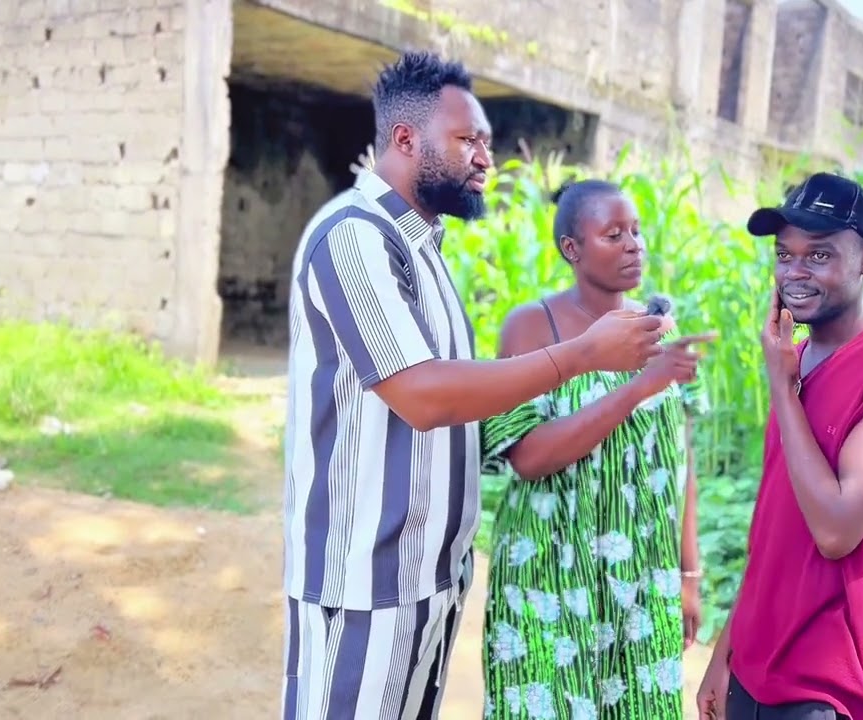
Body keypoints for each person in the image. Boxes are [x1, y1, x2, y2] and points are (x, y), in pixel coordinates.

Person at [280, 53, 671, 720]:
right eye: (469, 140)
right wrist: (581, 355)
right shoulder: (354, 238)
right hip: (364, 582)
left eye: (485, 141)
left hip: (428, 578)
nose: (485, 158)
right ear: (405, 140)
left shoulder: (422, 251)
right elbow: (426, 396)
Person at [696, 172, 863, 720]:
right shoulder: (799, 357)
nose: (794, 272)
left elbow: (835, 530)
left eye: (818, 256)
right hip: (758, 667)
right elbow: (776, 528)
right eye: (784, 254)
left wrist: (781, 388)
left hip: (833, 686)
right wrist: (727, 651)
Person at [479, 179, 716, 720]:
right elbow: (529, 457)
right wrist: (638, 387)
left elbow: (681, 466)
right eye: (614, 234)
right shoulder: (531, 327)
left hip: (640, 581)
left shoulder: (661, 329)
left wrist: (688, 577)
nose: (634, 244)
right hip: (549, 575)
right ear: (572, 249)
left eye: (636, 231)